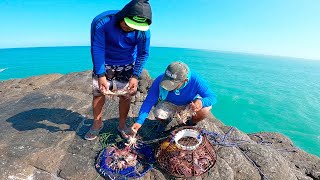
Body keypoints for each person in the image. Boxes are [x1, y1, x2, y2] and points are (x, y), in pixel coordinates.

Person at [85, 0, 152, 140]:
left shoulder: (143, 31)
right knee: (98, 94)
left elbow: (143, 54)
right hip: (105, 62)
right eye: (127, 25)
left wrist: (135, 76)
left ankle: (122, 125)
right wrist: (100, 74)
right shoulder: (102, 22)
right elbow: (97, 48)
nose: (130, 29)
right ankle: (97, 123)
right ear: (123, 16)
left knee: (126, 96)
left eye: (134, 28)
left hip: (127, 64)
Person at [131, 61, 217, 133]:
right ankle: (165, 122)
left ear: (185, 81)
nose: (168, 87)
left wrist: (201, 102)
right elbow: (149, 101)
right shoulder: (160, 79)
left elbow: (212, 97)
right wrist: (139, 121)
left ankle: (189, 123)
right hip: (170, 103)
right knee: (158, 113)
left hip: (189, 105)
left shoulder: (196, 80)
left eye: (173, 84)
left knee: (206, 109)